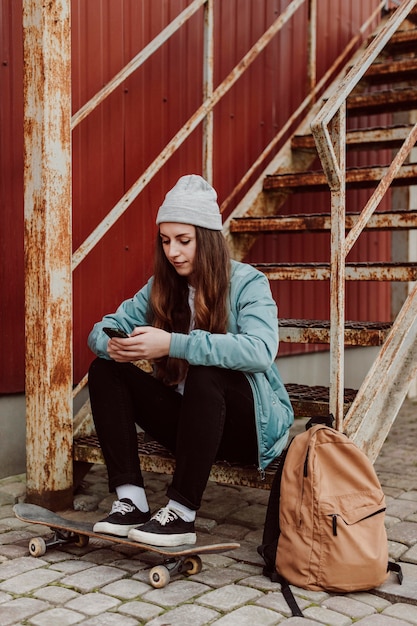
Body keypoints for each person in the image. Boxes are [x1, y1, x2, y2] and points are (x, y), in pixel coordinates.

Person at [87, 174, 294, 548]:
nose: (173, 252)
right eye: (165, 241)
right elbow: (103, 328)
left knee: (207, 369)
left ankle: (181, 514)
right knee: (104, 370)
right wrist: (112, 345)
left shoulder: (248, 283)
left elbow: (260, 351)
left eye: (184, 240)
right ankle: (131, 500)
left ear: (209, 239)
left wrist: (173, 344)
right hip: (190, 425)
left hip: (246, 429)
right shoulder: (162, 287)